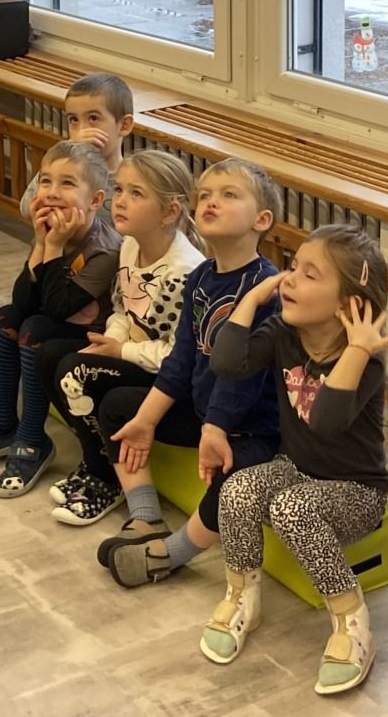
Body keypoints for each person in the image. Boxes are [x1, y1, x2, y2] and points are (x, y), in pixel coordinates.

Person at [203, 223, 388, 696]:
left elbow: (326, 422)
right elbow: (227, 363)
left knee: (292, 508)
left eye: (310, 275)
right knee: (238, 489)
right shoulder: (283, 332)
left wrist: (357, 348)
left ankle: (351, 619)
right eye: (292, 267)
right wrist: (252, 299)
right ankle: (242, 595)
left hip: (357, 492)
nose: (289, 278)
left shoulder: (366, 360)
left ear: (348, 304)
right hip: (296, 470)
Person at [100, 158, 283, 589]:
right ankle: (146, 518)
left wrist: (216, 428)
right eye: (205, 195)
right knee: (119, 409)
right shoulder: (201, 277)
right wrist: (146, 421)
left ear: (261, 220)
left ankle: (170, 554)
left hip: (251, 429)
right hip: (205, 416)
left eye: (228, 195)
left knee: (234, 479)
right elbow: (181, 360)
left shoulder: (266, 288)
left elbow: (246, 379)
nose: (211, 202)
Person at [0, 141, 121, 497]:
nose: (52, 193)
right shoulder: (49, 228)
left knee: (33, 331)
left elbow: (58, 308)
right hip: (51, 320)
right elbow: (23, 301)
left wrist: (53, 247)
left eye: (67, 183)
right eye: (45, 181)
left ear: (94, 200)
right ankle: (1, 426)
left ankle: (32, 440)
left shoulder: (105, 249)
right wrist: (42, 244)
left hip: (92, 336)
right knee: (1, 324)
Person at [47, 152, 204, 525]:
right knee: (50, 354)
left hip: (174, 381)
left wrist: (121, 351)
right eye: (119, 190)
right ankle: (96, 462)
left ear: (169, 212)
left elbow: (176, 357)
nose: (119, 201)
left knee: (77, 371)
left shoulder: (183, 272)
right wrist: (110, 343)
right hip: (137, 355)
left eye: (136, 194)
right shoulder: (130, 245)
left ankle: (104, 478)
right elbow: (122, 309)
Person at [17, 71, 135, 219]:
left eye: (93, 118)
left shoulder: (132, 179)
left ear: (124, 125)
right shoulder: (62, 168)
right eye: (74, 119)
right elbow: (27, 208)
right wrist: (68, 154)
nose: (82, 130)